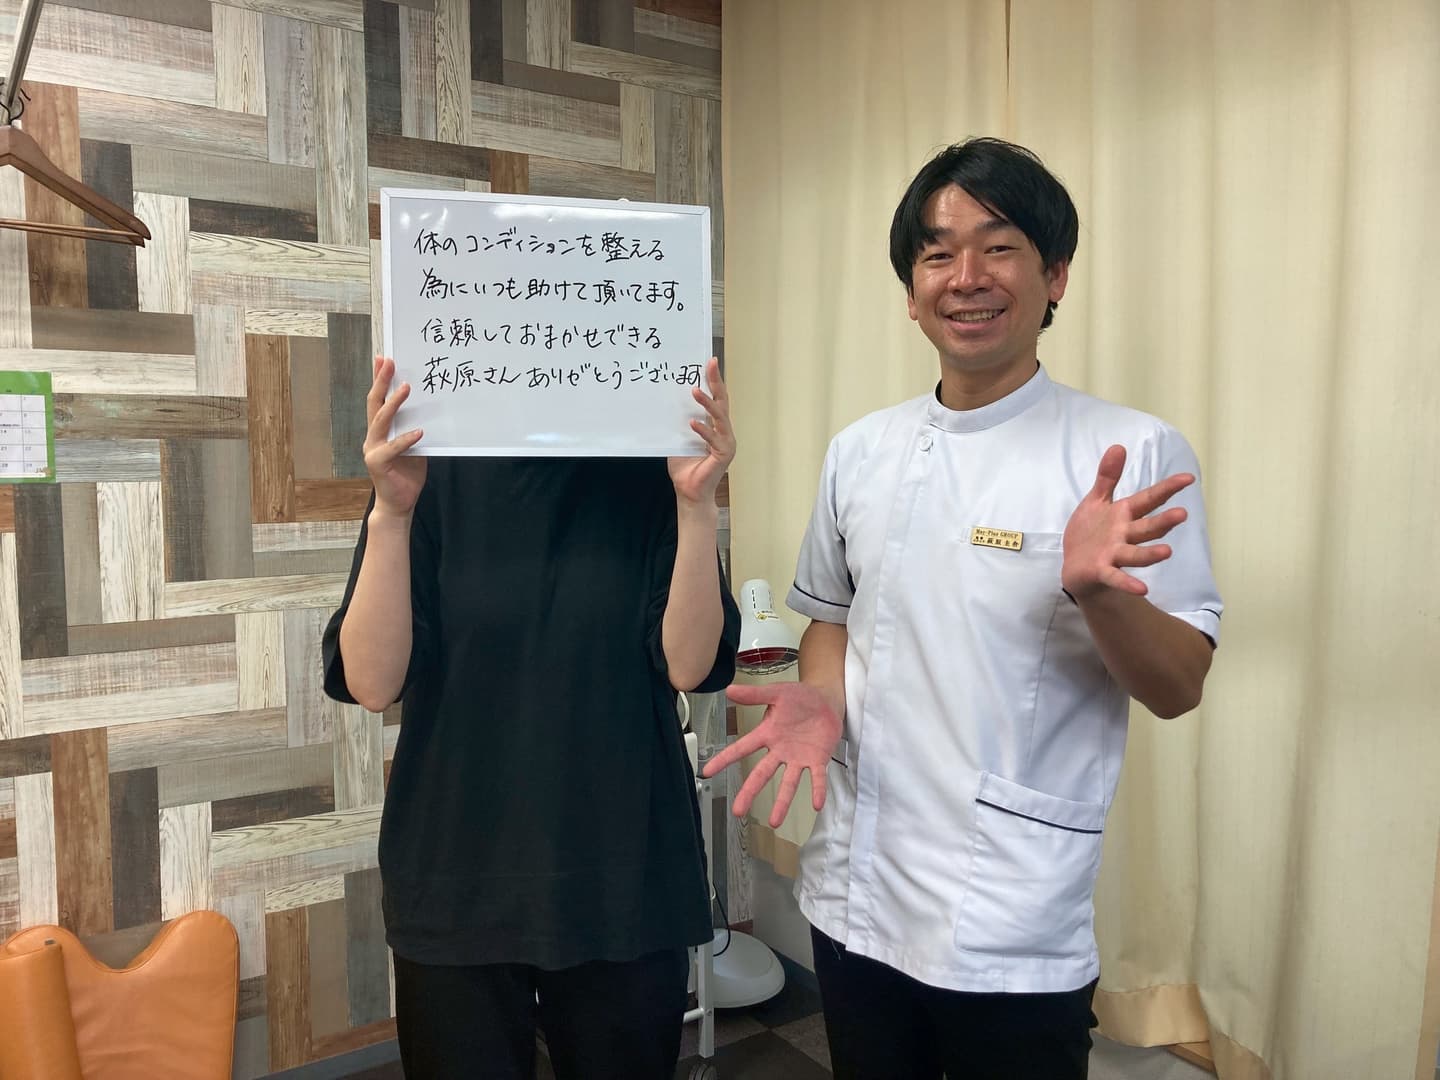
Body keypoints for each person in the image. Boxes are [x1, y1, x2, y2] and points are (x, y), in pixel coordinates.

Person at [703, 137, 1223, 1079]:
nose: (966, 277)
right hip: (855, 892)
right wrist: (821, 697)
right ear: (912, 293)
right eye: (937, 253)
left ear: (1055, 275)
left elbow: (1179, 685)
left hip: (1010, 915)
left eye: (999, 246)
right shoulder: (861, 450)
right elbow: (831, 617)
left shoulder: (1125, 452)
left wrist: (1097, 593)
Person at [323, 355, 740, 1079]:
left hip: (624, 869)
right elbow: (372, 682)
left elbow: (690, 666)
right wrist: (391, 513)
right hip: (458, 870)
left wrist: (698, 506)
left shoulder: (654, 469)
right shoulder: (427, 468)